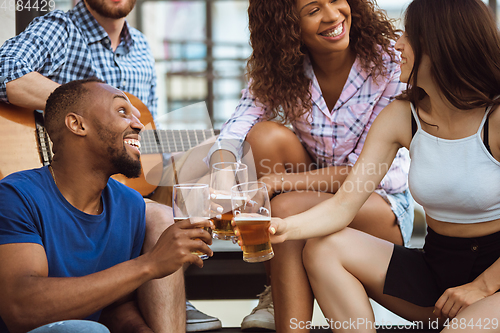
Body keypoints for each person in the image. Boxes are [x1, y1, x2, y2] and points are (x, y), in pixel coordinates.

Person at [266, 0, 500, 331]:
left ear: (442, 44)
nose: (397, 44)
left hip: (495, 283)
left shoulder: (496, 118)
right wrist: (282, 228)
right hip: (437, 275)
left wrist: (483, 286)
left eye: (409, 35)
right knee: (323, 249)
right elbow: (344, 206)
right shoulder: (401, 117)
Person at [0, 0, 222, 330]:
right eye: (122, 110)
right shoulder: (61, 27)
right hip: (62, 180)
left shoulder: (142, 48)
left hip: (116, 188)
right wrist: (81, 103)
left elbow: (146, 130)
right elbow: (6, 73)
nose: (132, 119)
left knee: (204, 147)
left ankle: (165, 282)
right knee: (159, 213)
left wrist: (212, 145)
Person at [207, 0, 413, 330]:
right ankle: (279, 290)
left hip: (379, 204)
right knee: (264, 137)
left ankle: (289, 319)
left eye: (335, 1)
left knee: (286, 206)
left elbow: (366, 171)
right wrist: (222, 178)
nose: (333, 16)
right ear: (287, 26)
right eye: (313, 9)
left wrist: (278, 184)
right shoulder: (283, 69)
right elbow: (235, 128)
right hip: (313, 193)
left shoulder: (388, 61)